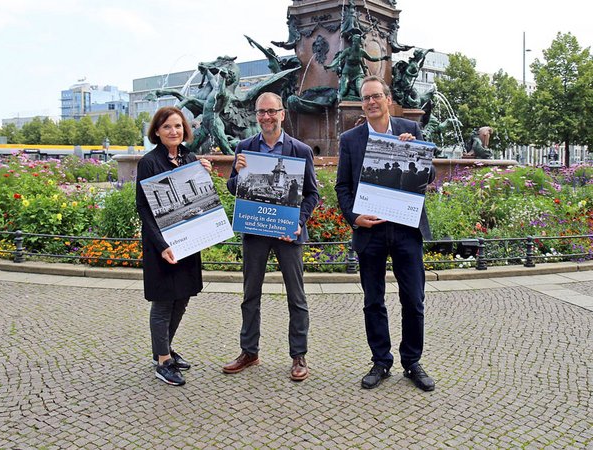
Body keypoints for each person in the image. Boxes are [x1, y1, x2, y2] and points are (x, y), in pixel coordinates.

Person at [335, 76, 436, 391]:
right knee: (373, 301)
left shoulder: (411, 129)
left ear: (388, 99)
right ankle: (381, 361)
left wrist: (413, 151)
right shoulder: (350, 139)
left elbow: (429, 174)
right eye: (365, 98)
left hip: (406, 228)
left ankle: (412, 362)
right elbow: (343, 186)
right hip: (371, 230)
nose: (371, 103)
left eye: (376, 96)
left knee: (414, 300)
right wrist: (354, 218)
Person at [223, 92, 319, 381]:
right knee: (250, 294)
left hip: (289, 233)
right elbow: (232, 188)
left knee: (296, 296)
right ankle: (249, 351)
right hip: (255, 231)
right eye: (261, 112)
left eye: (271, 111)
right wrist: (237, 175)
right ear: (256, 115)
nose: (266, 116)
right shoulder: (245, 147)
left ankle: (298, 355)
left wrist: (300, 222)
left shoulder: (300, 150)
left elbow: (312, 194)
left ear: (282, 114)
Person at [135, 106, 212, 386]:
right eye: (167, 127)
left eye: (178, 126)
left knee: (182, 298)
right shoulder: (149, 163)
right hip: (162, 245)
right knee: (164, 301)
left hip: (188, 241)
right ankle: (163, 361)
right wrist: (162, 244)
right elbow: (143, 208)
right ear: (157, 131)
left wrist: (205, 174)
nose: (173, 131)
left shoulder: (190, 159)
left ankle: (164, 348)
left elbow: (201, 201)